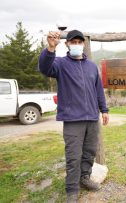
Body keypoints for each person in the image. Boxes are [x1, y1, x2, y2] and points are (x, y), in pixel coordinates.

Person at [39, 30, 109, 203]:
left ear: (83, 44)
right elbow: (45, 68)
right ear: (67, 44)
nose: (77, 44)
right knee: (73, 155)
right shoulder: (60, 64)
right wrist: (50, 48)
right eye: (73, 42)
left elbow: (98, 90)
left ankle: (85, 178)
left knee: (89, 152)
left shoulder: (92, 66)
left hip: (92, 118)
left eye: (79, 42)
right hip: (72, 119)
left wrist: (104, 110)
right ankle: (72, 189)